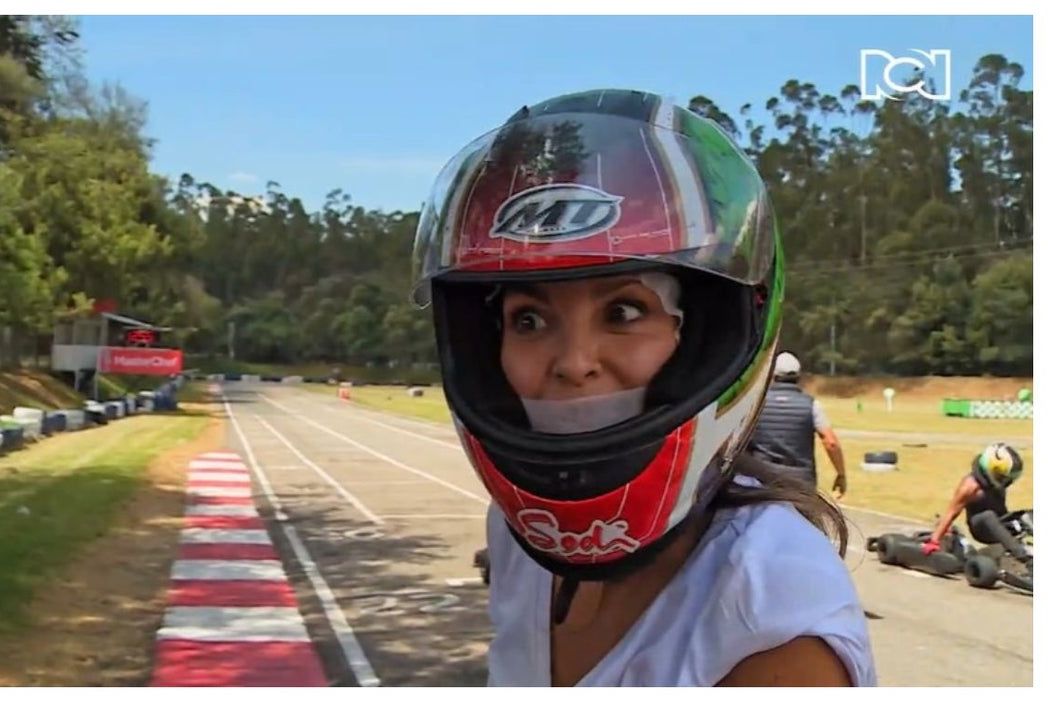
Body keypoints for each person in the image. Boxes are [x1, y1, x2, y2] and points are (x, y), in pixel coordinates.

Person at [410, 89, 876, 686]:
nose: (574, 362)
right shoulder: (514, 533)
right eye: (529, 319)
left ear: (706, 337)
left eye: (625, 312)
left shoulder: (772, 613)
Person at [745, 351, 847, 498]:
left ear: (771, 375)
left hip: (763, 477)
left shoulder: (756, 403)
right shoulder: (811, 405)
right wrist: (841, 474)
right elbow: (831, 443)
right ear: (798, 377)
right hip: (801, 481)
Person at [922, 442, 1025, 555]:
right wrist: (934, 541)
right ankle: (1023, 557)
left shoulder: (996, 483)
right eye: (1002, 477)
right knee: (988, 516)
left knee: (1028, 515)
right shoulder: (969, 487)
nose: (1005, 482)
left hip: (1000, 523)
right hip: (981, 528)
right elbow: (951, 513)